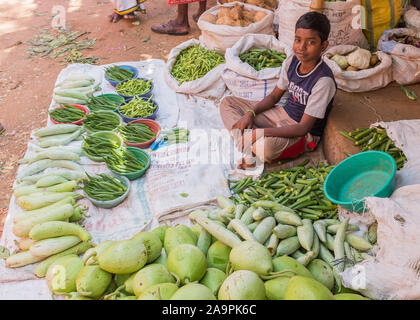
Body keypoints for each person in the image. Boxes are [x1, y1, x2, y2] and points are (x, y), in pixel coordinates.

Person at [220, 11, 336, 170]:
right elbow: (274, 96)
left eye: (311, 42)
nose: (301, 47)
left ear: (323, 46)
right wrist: (250, 113)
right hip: (280, 114)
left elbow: (303, 128)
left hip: (300, 134)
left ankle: (248, 139)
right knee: (228, 103)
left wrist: (259, 133)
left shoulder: (323, 81)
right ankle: (249, 137)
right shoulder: (292, 61)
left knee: (264, 149)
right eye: (298, 40)